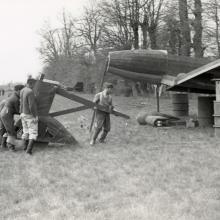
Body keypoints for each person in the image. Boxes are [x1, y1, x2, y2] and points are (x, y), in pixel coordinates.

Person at [0, 84, 24, 151]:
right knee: (11, 131)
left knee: (4, 130)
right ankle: (11, 147)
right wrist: (24, 113)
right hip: (7, 114)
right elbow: (17, 111)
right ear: (18, 90)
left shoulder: (13, 96)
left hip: (4, 113)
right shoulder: (16, 99)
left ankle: (3, 144)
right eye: (22, 91)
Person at [20, 78, 38, 155]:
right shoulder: (30, 92)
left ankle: (24, 148)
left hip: (23, 114)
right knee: (33, 133)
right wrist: (35, 116)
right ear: (31, 83)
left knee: (25, 131)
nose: (34, 86)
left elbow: (21, 103)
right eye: (34, 84)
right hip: (29, 115)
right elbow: (32, 106)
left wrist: (20, 112)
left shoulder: (22, 90)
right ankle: (29, 151)